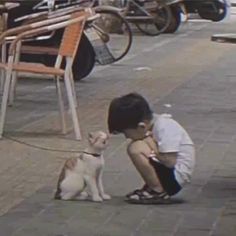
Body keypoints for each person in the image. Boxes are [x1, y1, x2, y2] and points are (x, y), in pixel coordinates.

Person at [108, 92, 195, 204]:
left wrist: (150, 142)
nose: (127, 137)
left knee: (135, 148)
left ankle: (157, 190)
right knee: (136, 145)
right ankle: (154, 186)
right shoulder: (154, 126)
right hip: (169, 173)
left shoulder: (165, 127)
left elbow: (170, 162)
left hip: (176, 177)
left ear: (141, 126)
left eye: (126, 132)